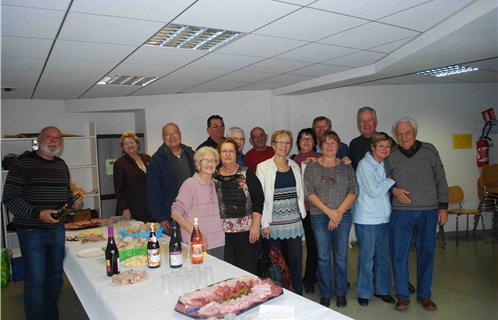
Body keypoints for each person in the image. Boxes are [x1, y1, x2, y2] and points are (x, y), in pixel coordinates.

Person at [2, 126, 83, 320]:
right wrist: (38, 213)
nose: (54, 141)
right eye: (49, 137)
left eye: (58, 139)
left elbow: (65, 197)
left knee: (55, 280)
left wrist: (74, 202)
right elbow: (9, 198)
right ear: (39, 140)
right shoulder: (23, 163)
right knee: (36, 281)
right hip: (32, 231)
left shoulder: (61, 165)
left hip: (56, 229)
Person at [387, 117, 448, 311]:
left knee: (427, 254)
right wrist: (394, 189)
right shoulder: (392, 154)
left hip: (428, 211)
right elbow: (383, 179)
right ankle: (403, 296)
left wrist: (443, 207)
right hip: (401, 213)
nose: (403, 137)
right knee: (399, 255)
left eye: (407, 133)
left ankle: (424, 295)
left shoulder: (430, 150)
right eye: (399, 134)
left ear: (415, 133)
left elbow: (441, 178)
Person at [303, 130, 357, 308]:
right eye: (326, 142)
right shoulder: (312, 167)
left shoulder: (346, 166)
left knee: (341, 256)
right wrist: (329, 212)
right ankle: (326, 292)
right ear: (320, 145)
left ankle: (341, 292)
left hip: (342, 217)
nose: (329, 145)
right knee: (324, 257)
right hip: (319, 218)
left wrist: (338, 213)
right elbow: (310, 194)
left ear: (339, 145)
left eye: (333, 142)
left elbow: (353, 191)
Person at [256, 130, 306, 295]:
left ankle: (298, 294)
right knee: (277, 265)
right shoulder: (263, 167)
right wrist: (263, 224)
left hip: (293, 224)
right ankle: (280, 295)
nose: (284, 146)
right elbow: (260, 197)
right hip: (273, 226)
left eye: (287, 143)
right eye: (280, 142)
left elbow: (299, 193)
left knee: (296, 262)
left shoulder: (294, 166)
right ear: (273, 144)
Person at [353, 132, 395, 306]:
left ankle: (382, 290)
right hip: (367, 219)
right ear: (373, 147)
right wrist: (391, 180)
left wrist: (388, 180)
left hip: (383, 218)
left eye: (387, 146)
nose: (385, 149)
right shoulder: (364, 165)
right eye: (381, 146)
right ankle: (364, 292)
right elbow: (374, 191)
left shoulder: (383, 164)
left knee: (383, 257)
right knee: (367, 258)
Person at [214, 138, 264, 274]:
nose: (228, 154)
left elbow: (258, 199)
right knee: (227, 273)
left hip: (247, 232)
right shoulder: (213, 175)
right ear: (219, 154)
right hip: (222, 235)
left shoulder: (246, 173)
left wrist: (255, 226)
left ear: (236, 153)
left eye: (231, 151)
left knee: (248, 272)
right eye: (224, 151)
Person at [171, 147, 225, 259]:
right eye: (205, 160)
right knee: (201, 274)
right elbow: (175, 213)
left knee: (219, 274)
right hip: (197, 241)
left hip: (218, 240)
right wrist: (196, 232)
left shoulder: (216, 184)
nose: (209, 164)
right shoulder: (190, 184)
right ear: (198, 164)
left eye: (213, 161)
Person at [147, 123, 195, 234]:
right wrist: (161, 218)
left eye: (175, 133)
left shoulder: (191, 154)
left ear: (180, 134)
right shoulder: (156, 161)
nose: (172, 137)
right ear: (163, 138)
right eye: (168, 135)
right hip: (171, 217)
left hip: (193, 213)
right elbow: (153, 192)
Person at [290, 128, 320, 294]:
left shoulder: (320, 159)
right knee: (293, 246)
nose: (306, 142)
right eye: (303, 139)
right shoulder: (292, 160)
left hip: (314, 210)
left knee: (312, 245)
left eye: (309, 139)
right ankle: (292, 278)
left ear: (315, 142)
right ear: (298, 142)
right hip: (296, 210)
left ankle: (310, 278)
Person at [113, 131, 152, 222]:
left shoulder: (148, 158)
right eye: (126, 144)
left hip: (148, 206)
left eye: (132, 142)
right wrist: (125, 209)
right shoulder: (120, 163)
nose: (130, 145)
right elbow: (119, 190)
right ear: (123, 147)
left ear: (137, 144)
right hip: (131, 208)